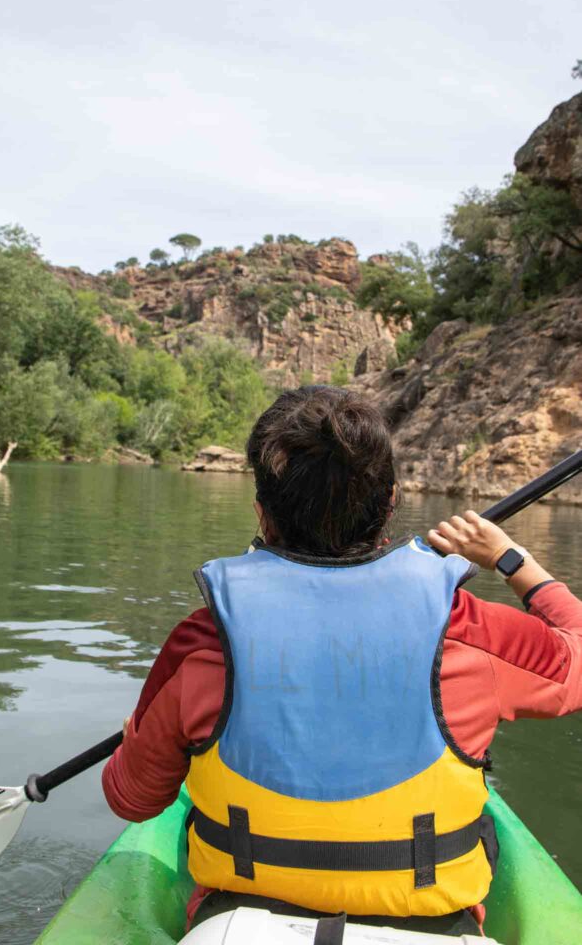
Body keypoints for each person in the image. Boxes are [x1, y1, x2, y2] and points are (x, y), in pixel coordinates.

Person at [102, 386, 582, 936]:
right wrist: (511, 560)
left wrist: (133, 743)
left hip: (234, 926)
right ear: (392, 501)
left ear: (262, 512)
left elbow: (132, 800)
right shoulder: (471, 631)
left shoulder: (201, 642)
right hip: (431, 925)